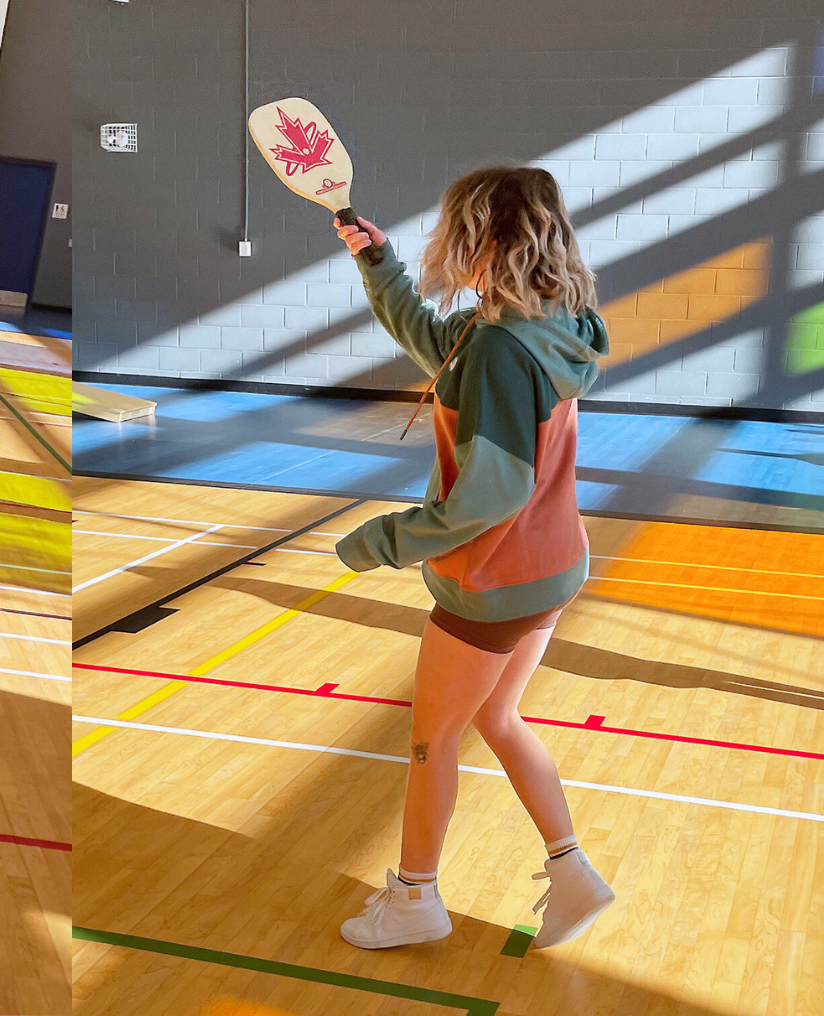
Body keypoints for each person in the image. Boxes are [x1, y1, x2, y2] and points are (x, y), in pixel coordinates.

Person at [330, 166, 616, 951]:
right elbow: (440, 345)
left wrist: (380, 541)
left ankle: (415, 897)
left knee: (432, 741)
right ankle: (572, 873)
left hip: (495, 577)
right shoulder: (553, 319)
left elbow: (488, 497)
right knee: (496, 716)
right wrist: (378, 264)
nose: (443, 241)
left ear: (484, 238)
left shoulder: (498, 346)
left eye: (453, 226)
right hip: (554, 566)